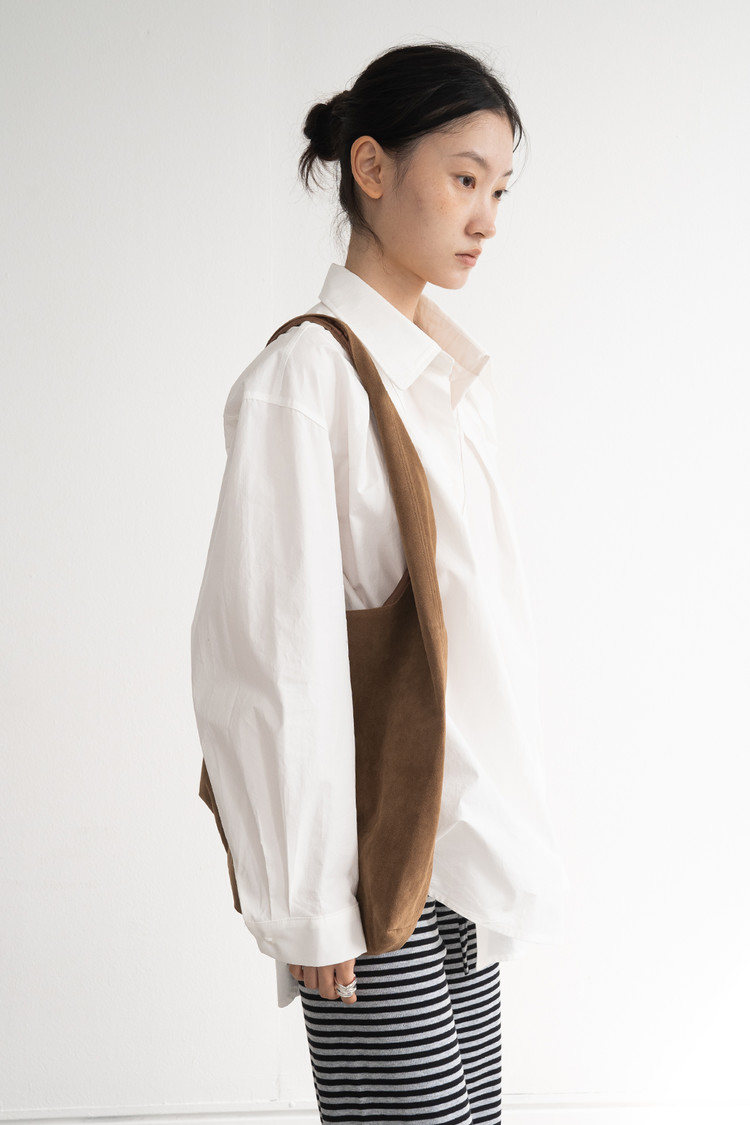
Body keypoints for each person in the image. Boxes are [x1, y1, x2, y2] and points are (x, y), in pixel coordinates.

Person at [191, 42, 567, 1125]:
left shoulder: (451, 388)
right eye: (463, 178)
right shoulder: (305, 382)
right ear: (370, 166)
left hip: (465, 857)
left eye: (499, 189)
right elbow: (270, 662)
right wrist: (308, 903)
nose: (486, 218)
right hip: (372, 876)